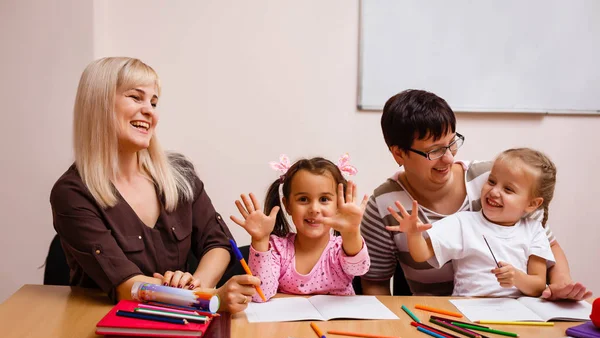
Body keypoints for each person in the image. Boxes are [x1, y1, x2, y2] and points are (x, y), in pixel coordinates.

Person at [50, 57, 259, 313]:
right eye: (136, 98)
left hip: (184, 322)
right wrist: (206, 298)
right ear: (99, 104)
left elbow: (218, 243)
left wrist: (198, 284)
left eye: (154, 102)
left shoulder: (180, 174)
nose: (150, 111)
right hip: (105, 330)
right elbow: (126, 286)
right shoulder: (72, 193)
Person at [360, 89, 591, 300]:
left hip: (517, 310)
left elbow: (546, 242)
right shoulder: (383, 204)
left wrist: (561, 284)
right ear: (399, 154)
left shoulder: (493, 180)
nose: (449, 158)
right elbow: (374, 283)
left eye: (452, 143)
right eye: (434, 151)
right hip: (437, 316)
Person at [387, 148, 556, 297]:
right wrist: (413, 234)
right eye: (491, 181)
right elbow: (421, 254)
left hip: (518, 315)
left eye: (508, 189)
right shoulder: (462, 222)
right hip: (469, 312)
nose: (494, 191)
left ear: (532, 204)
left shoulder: (534, 231)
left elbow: (538, 285)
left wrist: (517, 278)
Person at [230, 156, 370, 302]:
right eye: (303, 199)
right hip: (288, 324)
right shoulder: (278, 249)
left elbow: (359, 269)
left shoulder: (340, 249)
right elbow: (260, 295)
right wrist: (260, 240)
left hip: (339, 324)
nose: (314, 209)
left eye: (324, 199)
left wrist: (352, 232)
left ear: (338, 205)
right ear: (288, 205)